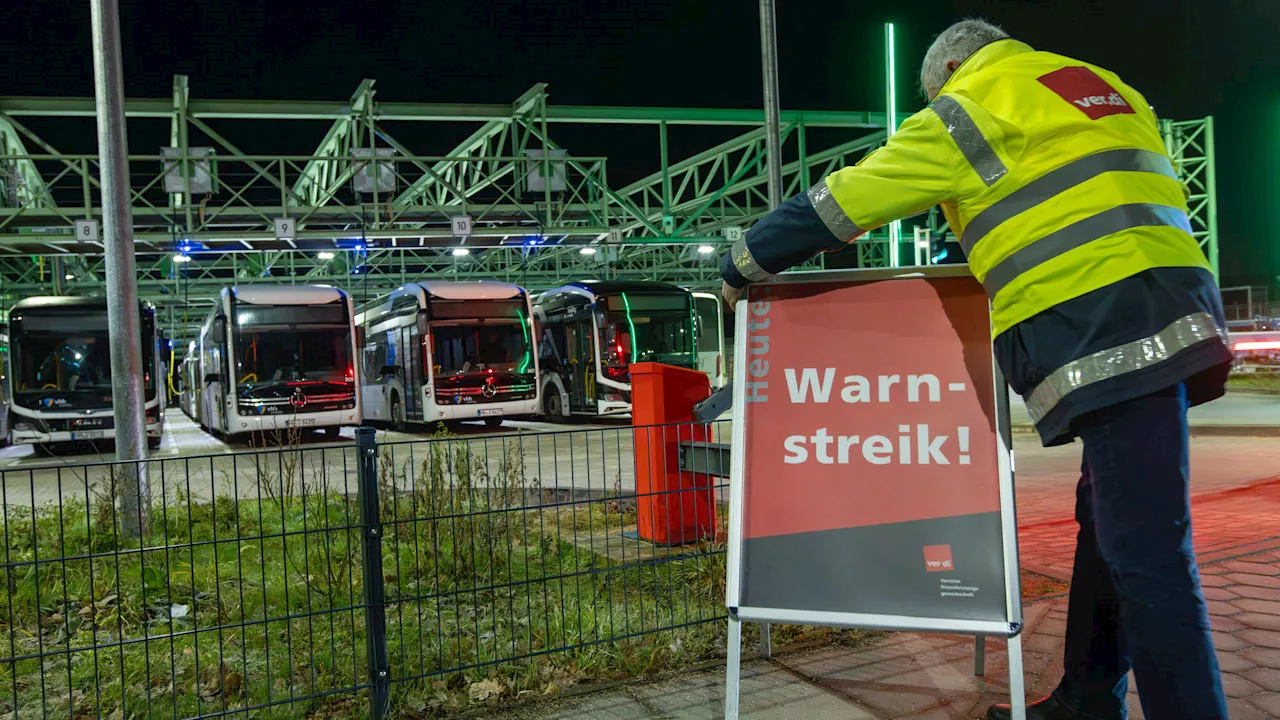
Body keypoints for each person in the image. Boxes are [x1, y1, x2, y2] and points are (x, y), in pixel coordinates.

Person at [720, 18, 1232, 720]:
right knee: (1110, 521)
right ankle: (1087, 699)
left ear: (952, 66)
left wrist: (740, 265)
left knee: (1151, 558)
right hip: (1178, 311)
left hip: (1099, 327)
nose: (933, 105)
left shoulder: (967, 109)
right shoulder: (1098, 84)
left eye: (933, 94)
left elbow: (843, 203)